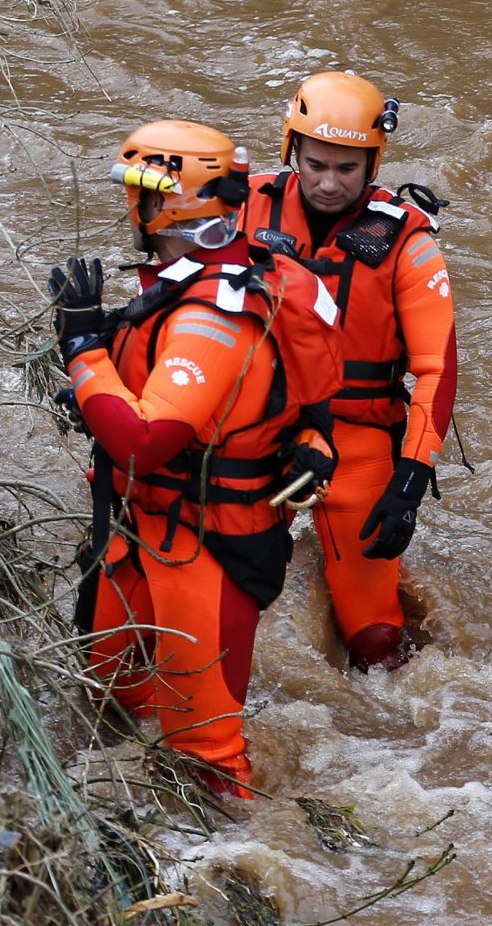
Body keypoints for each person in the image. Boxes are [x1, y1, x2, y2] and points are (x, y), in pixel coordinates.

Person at [51, 121, 342, 796]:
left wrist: (84, 351)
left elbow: (147, 440)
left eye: (137, 193)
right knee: (106, 694)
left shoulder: (212, 313)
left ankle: (234, 874)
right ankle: (124, 808)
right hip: (142, 528)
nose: (131, 206)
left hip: (205, 549)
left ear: (165, 204)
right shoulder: (186, 283)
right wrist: (94, 385)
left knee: (206, 756)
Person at [244, 72, 458, 673]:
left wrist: (410, 484)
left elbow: (438, 370)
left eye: (347, 169)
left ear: (373, 164)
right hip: (262, 432)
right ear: (291, 152)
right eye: (315, 165)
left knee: (375, 645)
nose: (328, 183)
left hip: (359, 440)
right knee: (226, 601)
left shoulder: (409, 241)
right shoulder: (242, 205)